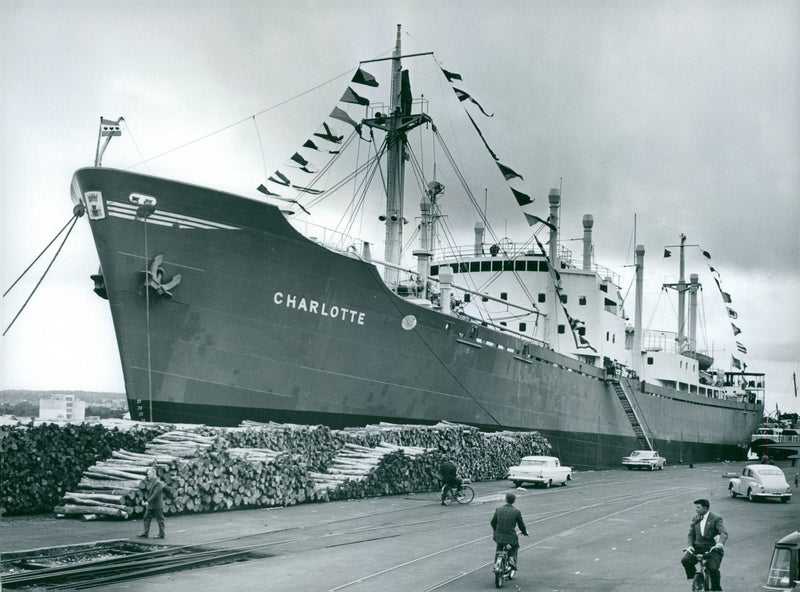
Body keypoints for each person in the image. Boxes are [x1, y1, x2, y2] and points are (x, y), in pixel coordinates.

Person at [681, 498, 727, 591]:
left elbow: (723, 533)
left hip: (712, 548)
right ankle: (697, 579)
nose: (696, 509)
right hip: (697, 546)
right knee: (685, 560)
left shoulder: (716, 518)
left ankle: (716, 588)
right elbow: (691, 533)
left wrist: (720, 543)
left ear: (705, 508)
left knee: (713, 568)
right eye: (695, 507)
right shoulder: (696, 518)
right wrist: (690, 545)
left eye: (698, 507)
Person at [490, 492, 528, 576]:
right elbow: (521, 525)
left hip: (498, 536)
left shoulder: (498, 509)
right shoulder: (516, 512)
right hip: (510, 537)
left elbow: (492, 522)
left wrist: (495, 531)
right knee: (516, 546)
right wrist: (525, 532)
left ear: (506, 499)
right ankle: (511, 558)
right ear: (514, 501)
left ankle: (496, 563)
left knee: (499, 546)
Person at [138, 468, 166, 539]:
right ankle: (145, 533)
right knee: (146, 517)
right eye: (148, 474)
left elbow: (155, 494)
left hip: (157, 505)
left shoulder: (158, 482)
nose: (148, 476)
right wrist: (144, 500)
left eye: (149, 474)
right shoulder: (151, 482)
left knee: (160, 520)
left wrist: (148, 501)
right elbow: (149, 493)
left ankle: (161, 534)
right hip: (151, 505)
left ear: (154, 474)